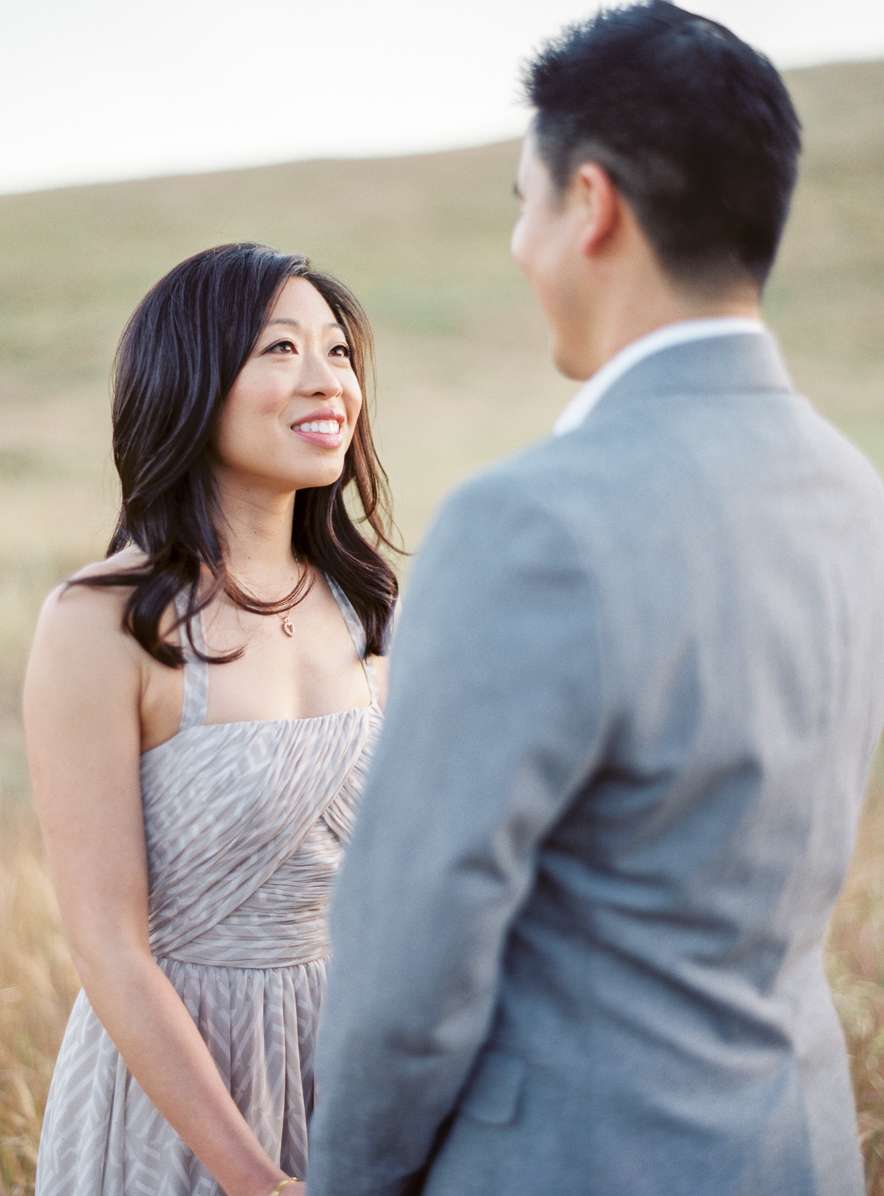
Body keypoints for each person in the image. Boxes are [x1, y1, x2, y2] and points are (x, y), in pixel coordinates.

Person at [306, 5, 884, 1194]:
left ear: (592, 203)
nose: (520, 245)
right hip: (794, 1146)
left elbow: (409, 959)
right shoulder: (854, 491)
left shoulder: (526, 523)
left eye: (524, 203)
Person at [23, 242, 398, 1196]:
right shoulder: (101, 620)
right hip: (172, 1097)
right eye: (279, 349)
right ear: (190, 381)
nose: (327, 381)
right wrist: (249, 1176)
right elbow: (108, 942)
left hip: (347, 1077)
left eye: (339, 351)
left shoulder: (374, 606)